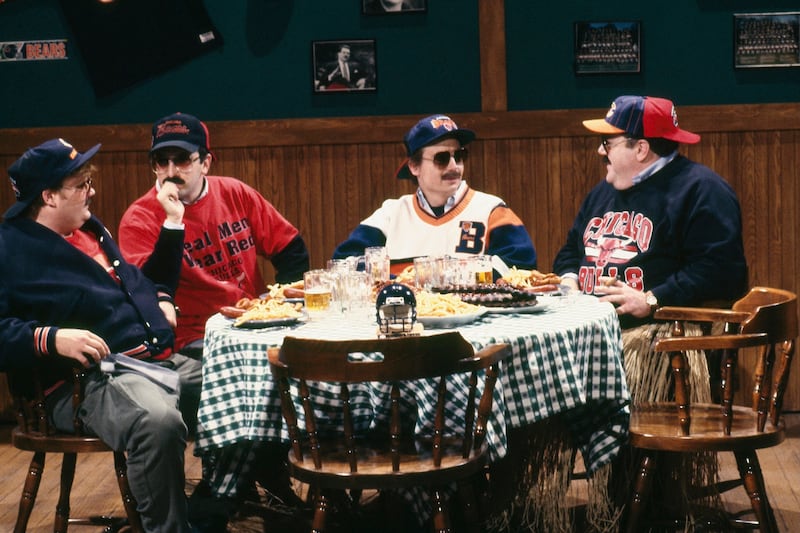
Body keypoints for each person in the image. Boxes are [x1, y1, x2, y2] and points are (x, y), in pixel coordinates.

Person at [118, 112, 310, 532]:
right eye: (162, 161)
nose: (171, 171)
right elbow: (149, 294)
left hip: (254, 328)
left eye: (182, 159)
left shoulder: (235, 193)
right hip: (185, 341)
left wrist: (281, 300)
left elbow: (292, 249)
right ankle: (230, 493)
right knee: (258, 382)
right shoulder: (141, 217)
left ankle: (238, 484)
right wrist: (172, 223)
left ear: (206, 162)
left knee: (302, 372)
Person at [0, 138, 198, 532]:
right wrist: (51, 337)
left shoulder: (90, 229)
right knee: (157, 420)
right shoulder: (10, 249)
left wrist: (160, 297)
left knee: (240, 381)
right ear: (49, 196)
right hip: (79, 383)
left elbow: (136, 283)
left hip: (147, 362)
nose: (91, 192)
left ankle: (220, 502)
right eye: (81, 185)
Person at [552, 95, 748, 330]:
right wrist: (569, 283)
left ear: (641, 149)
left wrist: (652, 299)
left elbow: (721, 271)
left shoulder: (703, 190)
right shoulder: (602, 191)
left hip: (662, 332)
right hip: (589, 326)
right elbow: (570, 251)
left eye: (607, 143)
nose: (600, 151)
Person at [333, 113, 538, 276]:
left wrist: (450, 278)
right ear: (414, 167)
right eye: (442, 158)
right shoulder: (391, 214)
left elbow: (522, 265)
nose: (454, 166)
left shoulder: (491, 209)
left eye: (459, 156)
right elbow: (343, 263)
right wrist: (399, 281)